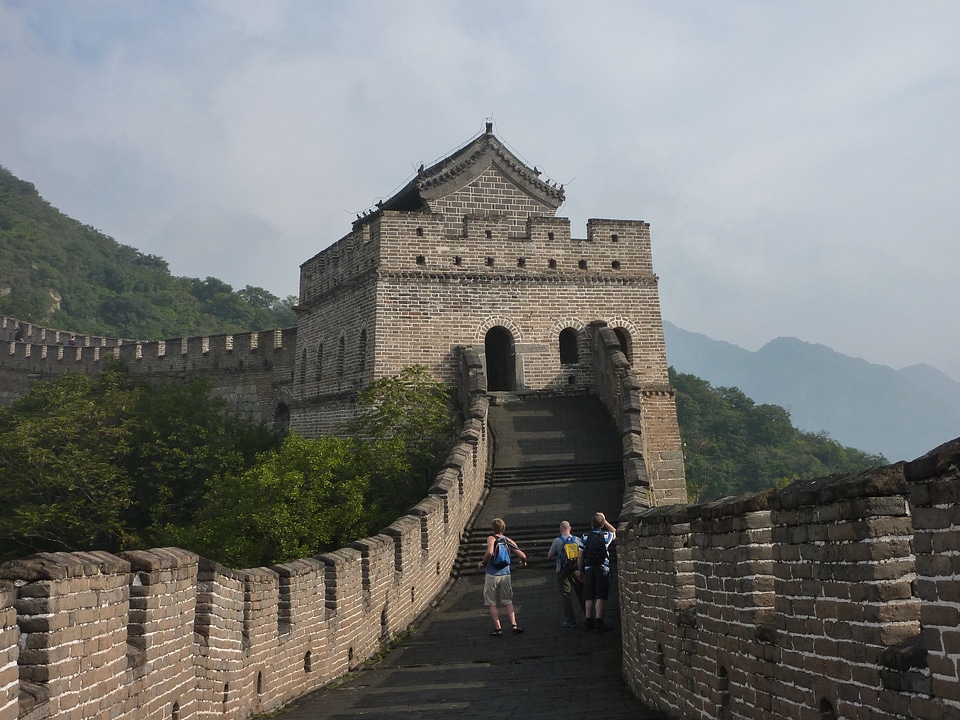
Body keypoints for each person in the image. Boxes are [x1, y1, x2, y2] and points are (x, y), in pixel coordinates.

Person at [477, 517, 527, 636]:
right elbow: (522, 555)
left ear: (493, 528)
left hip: (492, 574)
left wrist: (482, 562)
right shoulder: (507, 540)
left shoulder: (491, 538)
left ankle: (498, 628)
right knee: (508, 600)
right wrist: (523, 562)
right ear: (503, 528)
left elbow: (489, 552)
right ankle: (514, 624)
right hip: (505, 573)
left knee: (491, 602)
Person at [578, 511, 616, 631]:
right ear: (601, 524)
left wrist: (580, 570)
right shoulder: (605, 536)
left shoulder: (584, 537)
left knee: (589, 595)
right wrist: (604, 520)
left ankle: (588, 620)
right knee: (600, 595)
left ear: (591, 524)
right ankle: (599, 621)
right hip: (602, 567)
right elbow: (614, 531)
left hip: (588, 568)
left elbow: (580, 556)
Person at [547, 520, 583, 628]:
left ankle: (570, 620)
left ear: (560, 529)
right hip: (575, 569)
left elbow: (549, 555)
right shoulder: (577, 539)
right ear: (570, 528)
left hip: (562, 570)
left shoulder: (557, 541)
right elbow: (582, 554)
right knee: (581, 593)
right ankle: (589, 616)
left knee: (566, 595)